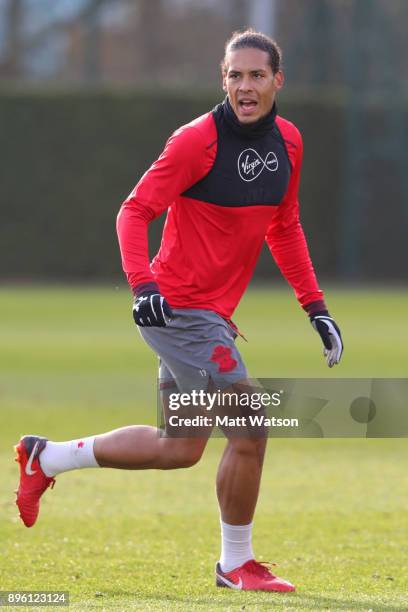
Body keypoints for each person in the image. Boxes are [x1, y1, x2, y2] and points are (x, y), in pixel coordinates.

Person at [14, 29, 343, 592]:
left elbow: (284, 226)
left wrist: (315, 307)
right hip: (181, 310)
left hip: (211, 314)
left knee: (180, 447)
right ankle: (235, 564)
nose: (244, 85)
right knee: (250, 427)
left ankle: (45, 459)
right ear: (223, 79)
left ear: (276, 81)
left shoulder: (289, 143)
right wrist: (143, 287)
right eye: (234, 75)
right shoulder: (196, 140)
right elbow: (134, 211)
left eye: (256, 75)